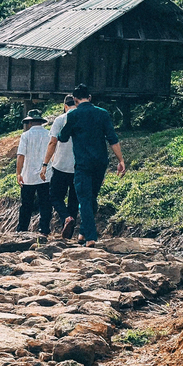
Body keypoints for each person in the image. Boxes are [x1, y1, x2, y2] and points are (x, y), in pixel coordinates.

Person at [49, 84, 125, 247]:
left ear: (75, 100)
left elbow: (62, 137)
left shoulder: (74, 115)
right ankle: (83, 233)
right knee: (91, 197)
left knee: (84, 198)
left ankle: (90, 237)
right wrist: (121, 161)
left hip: (83, 164)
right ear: (90, 97)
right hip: (101, 162)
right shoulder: (102, 114)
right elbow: (112, 138)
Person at [40, 95, 79, 239]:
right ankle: (68, 233)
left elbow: (52, 143)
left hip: (61, 166)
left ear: (65, 106)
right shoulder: (83, 118)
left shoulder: (60, 119)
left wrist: (45, 164)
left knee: (55, 196)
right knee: (74, 199)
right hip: (78, 167)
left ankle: (66, 218)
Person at [16, 109, 53, 235]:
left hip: (28, 175)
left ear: (30, 122)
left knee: (26, 204)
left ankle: (22, 229)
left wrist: (18, 173)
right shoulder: (48, 134)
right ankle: (45, 229)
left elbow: (21, 155)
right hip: (46, 175)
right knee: (45, 204)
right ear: (41, 122)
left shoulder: (25, 135)